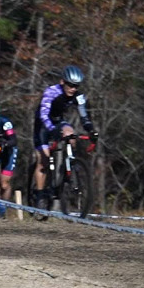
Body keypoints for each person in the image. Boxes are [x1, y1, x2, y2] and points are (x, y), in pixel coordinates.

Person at [31, 65, 98, 208]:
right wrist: (51, 129)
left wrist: (91, 130)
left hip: (57, 120)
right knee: (43, 160)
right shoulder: (51, 92)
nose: (73, 88)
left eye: (76, 86)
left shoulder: (78, 97)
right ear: (63, 82)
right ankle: (40, 193)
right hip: (43, 124)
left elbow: (84, 117)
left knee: (71, 134)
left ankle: (69, 166)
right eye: (70, 85)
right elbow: (44, 114)